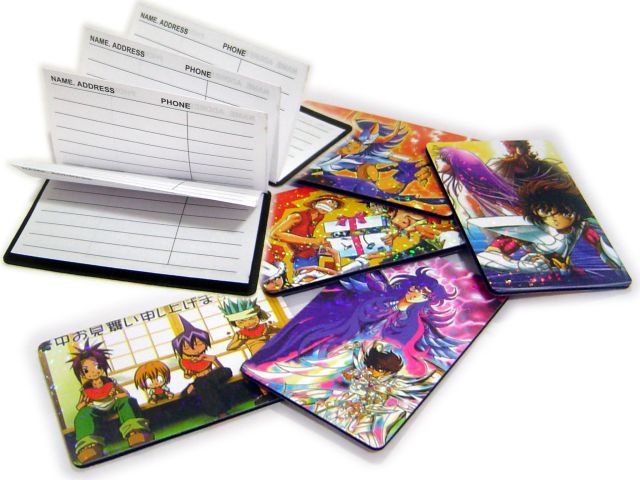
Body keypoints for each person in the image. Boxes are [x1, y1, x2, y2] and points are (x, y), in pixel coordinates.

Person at [69, 341, 153, 464]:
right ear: (82, 374)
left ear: (102, 366)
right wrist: (85, 404)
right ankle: (89, 447)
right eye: (87, 370)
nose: (93, 372)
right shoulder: (85, 389)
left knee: (127, 401)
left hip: (113, 403)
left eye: (96, 366)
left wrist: (116, 395)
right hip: (96, 409)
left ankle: (136, 432)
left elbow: (125, 394)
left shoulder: (110, 382)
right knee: (83, 414)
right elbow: (79, 406)